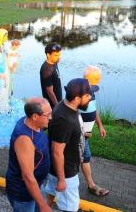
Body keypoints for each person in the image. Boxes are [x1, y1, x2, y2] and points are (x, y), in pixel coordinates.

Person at [43, 78, 95, 212]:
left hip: (57, 169)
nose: (91, 98)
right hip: (66, 173)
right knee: (70, 207)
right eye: (88, 96)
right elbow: (56, 151)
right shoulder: (65, 119)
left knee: (49, 197)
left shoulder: (65, 106)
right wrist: (61, 179)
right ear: (77, 98)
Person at [6, 98, 52, 212]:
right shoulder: (25, 139)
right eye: (48, 115)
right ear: (35, 116)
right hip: (24, 193)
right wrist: (43, 205)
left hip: (38, 184)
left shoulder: (33, 123)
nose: (51, 117)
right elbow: (27, 176)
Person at [80, 66, 109, 196]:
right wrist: (83, 133)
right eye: (95, 80)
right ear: (86, 79)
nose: (97, 83)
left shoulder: (90, 91)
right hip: (78, 136)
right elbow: (70, 118)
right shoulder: (79, 95)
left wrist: (100, 125)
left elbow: (94, 109)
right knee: (79, 158)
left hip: (84, 136)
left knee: (85, 157)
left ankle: (91, 185)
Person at [40, 43, 62, 109]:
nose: (58, 57)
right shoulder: (46, 70)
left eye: (59, 55)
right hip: (52, 106)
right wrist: (57, 106)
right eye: (56, 55)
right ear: (48, 55)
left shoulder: (54, 62)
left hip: (58, 101)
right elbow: (50, 92)